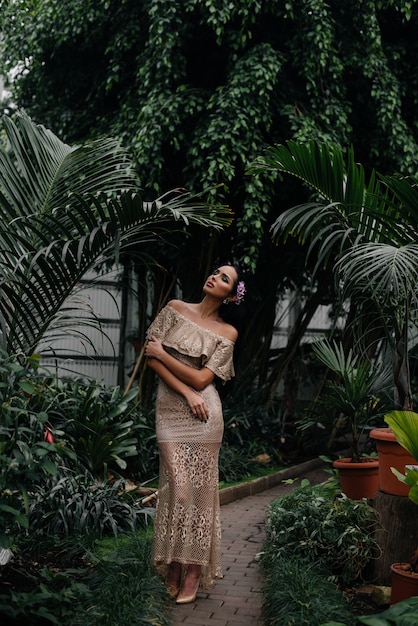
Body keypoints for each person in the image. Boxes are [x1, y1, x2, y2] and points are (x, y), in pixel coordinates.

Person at [145, 262, 246, 604]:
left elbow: (204, 381)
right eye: (216, 272)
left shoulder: (228, 332)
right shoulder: (174, 309)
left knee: (201, 498)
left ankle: (190, 572)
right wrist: (186, 393)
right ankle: (173, 565)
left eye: (224, 278)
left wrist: (188, 385)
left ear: (230, 295)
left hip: (205, 418)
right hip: (171, 414)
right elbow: (151, 358)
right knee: (180, 492)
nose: (215, 277)